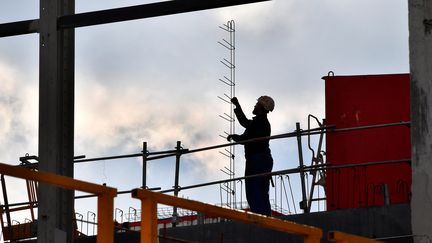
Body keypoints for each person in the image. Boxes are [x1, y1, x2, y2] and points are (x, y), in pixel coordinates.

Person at [227, 96, 275, 216]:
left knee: (255, 191)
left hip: (258, 160)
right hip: (260, 159)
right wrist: (237, 106)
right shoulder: (258, 122)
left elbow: (247, 138)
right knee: (259, 191)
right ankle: (264, 217)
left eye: (257, 104)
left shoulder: (261, 123)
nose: (254, 106)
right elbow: (245, 122)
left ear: (262, 108)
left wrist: (235, 137)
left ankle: (262, 218)